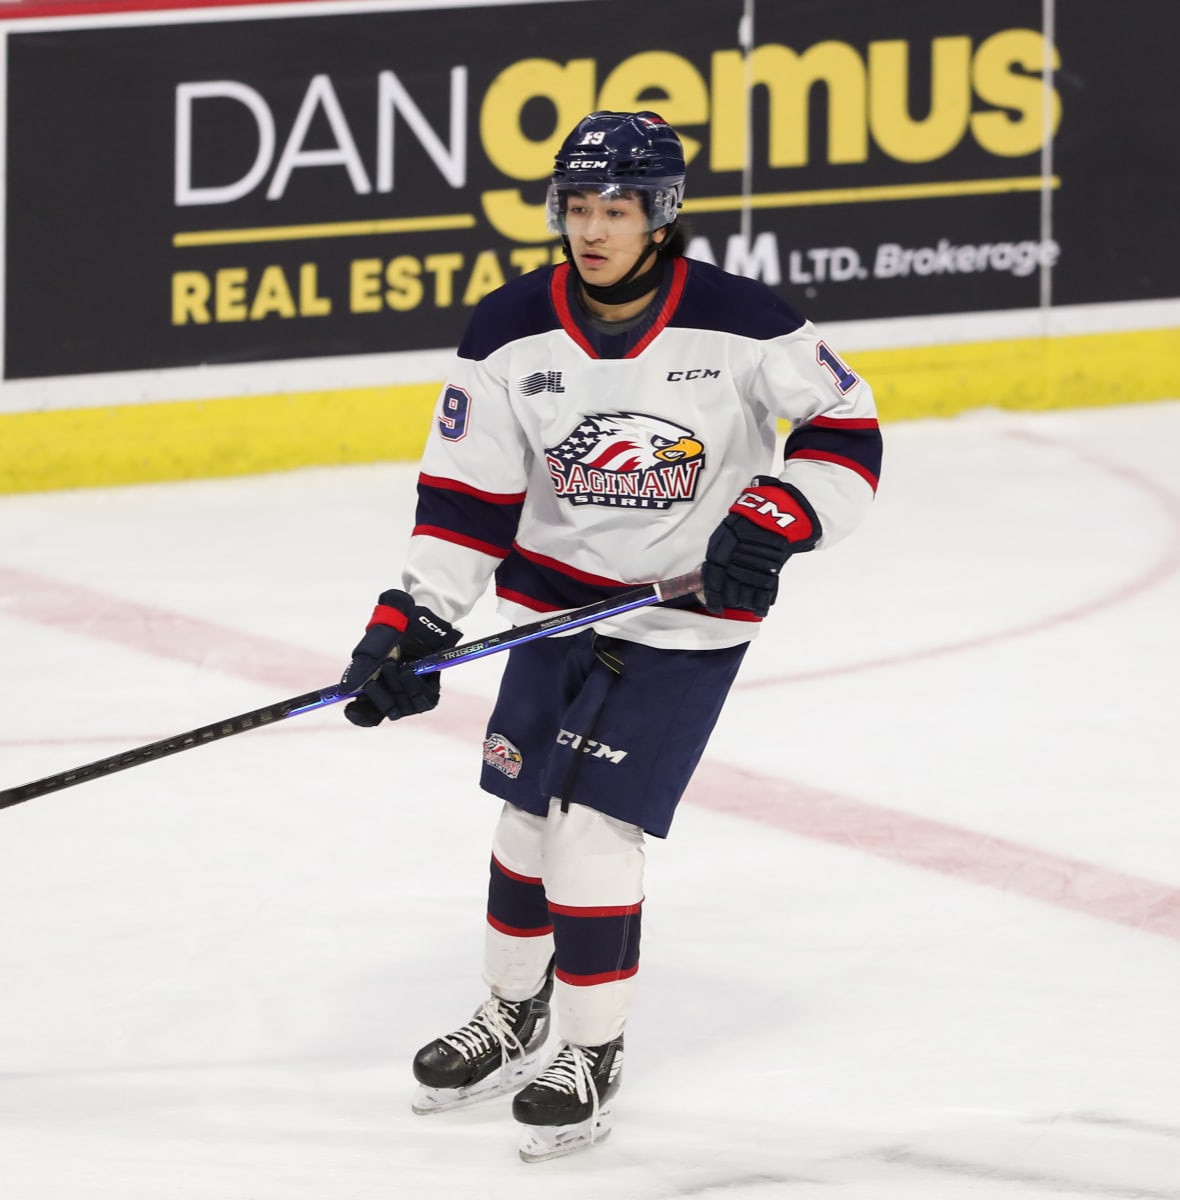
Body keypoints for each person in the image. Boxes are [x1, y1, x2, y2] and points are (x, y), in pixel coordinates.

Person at [338, 110, 883, 1162]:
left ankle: (591, 1049)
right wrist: (409, 623)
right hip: (548, 618)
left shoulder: (742, 320)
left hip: (684, 627)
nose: (591, 229)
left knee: (591, 834)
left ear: (662, 215)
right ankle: (511, 1012)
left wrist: (776, 517)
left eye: (616, 209)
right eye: (577, 207)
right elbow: (463, 499)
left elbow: (845, 431)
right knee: (523, 822)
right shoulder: (509, 331)